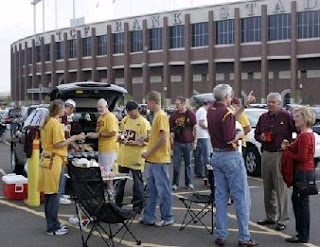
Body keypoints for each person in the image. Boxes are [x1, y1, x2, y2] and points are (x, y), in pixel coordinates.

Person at [207, 84, 257, 247]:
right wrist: (242, 133)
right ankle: (244, 237)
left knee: (221, 196)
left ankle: (221, 234)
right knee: (241, 197)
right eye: (230, 96)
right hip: (230, 156)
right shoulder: (226, 112)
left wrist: (244, 106)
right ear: (227, 97)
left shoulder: (212, 111)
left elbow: (231, 117)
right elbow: (231, 138)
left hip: (217, 155)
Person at [38, 99, 84, 235]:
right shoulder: (55, 124)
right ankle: (53, 227)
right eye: (63, 108)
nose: (65, 111)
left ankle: (53, 224)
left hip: (46, 160)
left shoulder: (48, 122)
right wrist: (74, 138)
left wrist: (64, 129)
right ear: (59, 110)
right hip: (54, 161)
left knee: (49, 195)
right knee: (54, 196)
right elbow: (59, 144)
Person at [255, 92, 296, 231]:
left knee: (280, 187)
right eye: (269, 102)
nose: (270, 104)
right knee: (267, 187)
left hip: (280, 154)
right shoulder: (263, 117)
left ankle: (283, 219)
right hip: (266, 153)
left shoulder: (286, 116)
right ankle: (270, 216)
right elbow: (256, 134)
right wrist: (260, 137)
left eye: (273, 102)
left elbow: (297, 131)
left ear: (279, 103)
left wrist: (290, 143)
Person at [282, 106, 316, 243]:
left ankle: (302, 235)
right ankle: (302, 234)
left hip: (303, 173)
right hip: (306, 172)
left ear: (305, 118)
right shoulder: (306, 134)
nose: (294, 118)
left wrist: (287, 151)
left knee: (300, 204)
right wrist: (289, 147)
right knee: (300, 203)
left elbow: (301, 157)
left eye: (297, 116)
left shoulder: (305, 136)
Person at [140, 91, 174, 227]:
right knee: (151, 190)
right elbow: (158, 137)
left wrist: (148, 152)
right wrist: (147, 139)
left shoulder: (160, 116)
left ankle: (167, 216)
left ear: (154, 102)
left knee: (163, 189)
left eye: (148, 102)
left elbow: (163, 138)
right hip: (155, 159)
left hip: (159, 159)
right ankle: (149, 217)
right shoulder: (157, 116)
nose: (147, 105)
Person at [115, 101, 151, 213]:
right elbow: (121, 132)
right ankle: (117, 203)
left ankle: (137, 206)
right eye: (128, 111)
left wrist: (133, 142)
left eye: (131, 111)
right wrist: (120, 137)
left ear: (137, 110)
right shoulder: (125, 119)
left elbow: (146, 140)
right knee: (121, 181)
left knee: (137, 182)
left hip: (136, 156)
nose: (130, 114)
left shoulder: (144, 123)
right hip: (124, 156)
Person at [87, 98, 119, 192]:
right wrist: (92, 134)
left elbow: (113, 132)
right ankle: (105, 191)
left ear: (106, 106)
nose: (99, 109)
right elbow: (98, 130)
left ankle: (110, 191)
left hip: (110, 149)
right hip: (102, 148)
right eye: (98, 107)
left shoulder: (111, 117)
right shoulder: (100, 117)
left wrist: (98, 135)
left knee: (109, 172)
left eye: (101, 107)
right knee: (103, 171)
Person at [170, 96, 197, 190]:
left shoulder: (191, 114)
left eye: (178, 104)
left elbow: (195, 128)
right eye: (176, 104)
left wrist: (195, 141)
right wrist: (171, 139)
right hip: (177, 142)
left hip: (188, 142)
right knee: (176, 164)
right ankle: (175, 183)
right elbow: (172, 129)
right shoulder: (174, 115)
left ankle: (188, 182)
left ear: (184, 104)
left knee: (188, 164)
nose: (176, 106)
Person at [58, 99, 76, 205]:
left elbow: (67, 133)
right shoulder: (63, 117)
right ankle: (59, 194)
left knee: (64, 172)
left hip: (64, 149)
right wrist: (71, 143)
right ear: (71, 108)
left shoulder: (65, 117)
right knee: (62, 173)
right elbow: (64, 135)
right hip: (61, 149)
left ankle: (62, 192)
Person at [195, 100, 211, 178]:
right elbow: (201, 122)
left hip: (199, 135)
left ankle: (199, 172)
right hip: (203, 135)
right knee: (205, 155)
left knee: (199, 155)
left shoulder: (199, 110)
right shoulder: (203, 111)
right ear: (207, 104)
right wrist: (209, 128)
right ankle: (206, 173)